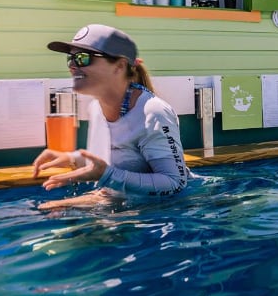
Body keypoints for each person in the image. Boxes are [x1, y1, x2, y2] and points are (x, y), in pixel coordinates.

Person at [33, 24, 189, 207]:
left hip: (163, 219)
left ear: (119, 66)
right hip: (124, 209)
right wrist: (72, 158)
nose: (73, 66)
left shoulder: (153, 113)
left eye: (83, 58)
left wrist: (106, 176)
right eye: (71, 58)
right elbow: (115, 161)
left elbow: (176, 184)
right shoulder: (96, 108)